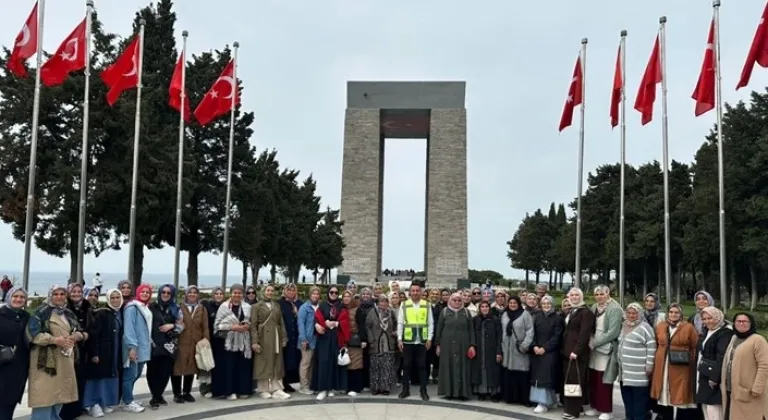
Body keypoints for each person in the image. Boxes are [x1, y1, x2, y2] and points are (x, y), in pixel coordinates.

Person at [27, 285, 86, 419]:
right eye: (55, 294)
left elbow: (78, 330)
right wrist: (54, 340)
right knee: (44, 398)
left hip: (65, 359)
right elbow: (32, 335)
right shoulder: (40, 312)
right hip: (45, 361)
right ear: (50, 295)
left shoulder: (68, 313)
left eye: (62, 294)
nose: (59, 297)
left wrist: (77, 336)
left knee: (59, 397)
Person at [650, 303, 699, 420]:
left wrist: (688, 359)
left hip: (680, 365)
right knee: (664, 391)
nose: (673, 315)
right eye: (671, 312)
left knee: (679, 392)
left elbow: (694, 346)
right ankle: (665, 416)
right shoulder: (661, 326)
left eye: (676, 312)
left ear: (681, 314)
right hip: (662, 364)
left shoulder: (688, 327)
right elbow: (656, 342)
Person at [83, 289, 124, 417]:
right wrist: (95, 353)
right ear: (107, 299)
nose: (115, 300)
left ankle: (104, 402)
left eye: (118, 297)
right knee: (97, 377)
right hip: (102, 351)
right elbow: (94, 334)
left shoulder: (118, 313)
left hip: (113, 350)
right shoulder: (102, 313)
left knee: (108, 376)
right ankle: (91, 404)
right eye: (113, 298)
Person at [721, 312, 768, 420]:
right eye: (738, 321)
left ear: (750, 323)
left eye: (745, 321)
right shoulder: (734, 338)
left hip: (750, 391)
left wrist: (757, 388)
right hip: (732, 389)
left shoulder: (758, 340)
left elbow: (764, 365)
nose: (741, 323)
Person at [585, 285, 622, 420]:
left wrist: (595, 343)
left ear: (608, 294)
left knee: (604, 380)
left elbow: (613, 332)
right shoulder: (594, 307)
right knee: (594, 378)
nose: (599, 296)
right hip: (593, 348)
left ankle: (606, 410)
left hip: (606, 348)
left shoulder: (615, 309)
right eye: (597, 294)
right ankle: (595, 407)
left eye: (602, 294)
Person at [212, 284, 254, 400]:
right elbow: (217, 325)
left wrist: (246, 326)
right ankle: (229, 391)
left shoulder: (247, 307)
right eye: (235, 292)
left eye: (239, 293)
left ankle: (242, 390)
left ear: (242, 294)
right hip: (228, 342)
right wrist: (233, 327)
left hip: (244, 341)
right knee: (229, 367)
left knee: (242, 366)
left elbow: (250, 322)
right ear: (231, 293)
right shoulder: (224, 307)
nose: (237, 295)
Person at [147, 284, 184, 410]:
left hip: (169, 345)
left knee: (165, 372)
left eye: (169, 293)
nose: (166, 294)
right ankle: (155, 395)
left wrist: (172, 326)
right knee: (152, 372)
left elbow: (181, 325)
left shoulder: (176, 308)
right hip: (153, 344)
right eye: (163, 292)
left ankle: (157, 395)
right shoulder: (151, 306)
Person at [617, 302, 656, 420]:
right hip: (625, 372)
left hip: (639, 373)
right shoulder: (624, 325)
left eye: (634, 313)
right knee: (627, 400)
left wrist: (649, 366)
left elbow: (652, 346)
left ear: (639, 314)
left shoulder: (645, 327)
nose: (631, 315)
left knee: (639, 402)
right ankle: (629, 417)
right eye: (628, 313)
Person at [561, 287, 596, 420]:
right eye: (572, 295)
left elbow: (584, 334)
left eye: (577, 295)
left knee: (575, 381)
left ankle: (573, 411)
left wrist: (576, 351)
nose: (574, 297)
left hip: (577, 354)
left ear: (581, 297)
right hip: (566, 351)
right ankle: (573, 408)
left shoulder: (586, 312)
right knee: (569, 380)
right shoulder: (571, 311)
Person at [251, 284, 290, 400]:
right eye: (268, 290)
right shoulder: (256, 306)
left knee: (276, 361)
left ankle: (277, 388)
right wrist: (255, 341)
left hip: (275, 336)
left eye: (271, 291)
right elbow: (253, 326)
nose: (270, 292)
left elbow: (281, 322)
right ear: (263, 291)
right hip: (263, 337)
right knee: (263, 362)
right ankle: (263, 389)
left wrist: (284, 337)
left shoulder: (276, 305)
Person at [172, 285, 210, 403]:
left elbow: (205, 326)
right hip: (181, 342)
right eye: (190, 292)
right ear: (186, 295)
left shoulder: (201, 309)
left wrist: (206, 340)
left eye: (195, 292)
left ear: (198, 295)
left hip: (195, 342)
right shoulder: (179, 307)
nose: (192, 294)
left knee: (191, 367)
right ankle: (177, 393)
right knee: (177, 368)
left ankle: (187, 392)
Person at [695, 306, 732, 420]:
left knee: (714, 411)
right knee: (705, 408)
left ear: (717, 318)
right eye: (704, 319)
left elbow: (721, 357)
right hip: (703, 374)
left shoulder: (725, 333)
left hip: (713, 378)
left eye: (709, 318)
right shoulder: (707, 331)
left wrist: (714, 378)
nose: (706, 321)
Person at [397, 282, 433, 401]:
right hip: (408, 340)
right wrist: (399, 339)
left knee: (422, 366)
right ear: (410, 292)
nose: (415, 293)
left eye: (418, 290)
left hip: (422, 341)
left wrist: (429, 338)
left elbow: (430, 322)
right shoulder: (404, 304)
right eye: (413, 291)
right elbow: (400, 322)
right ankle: (405, 390)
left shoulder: (427, 305)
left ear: (421, 292)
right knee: (406, 366)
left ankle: (423, 391)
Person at [313, 286, 350, 401]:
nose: (333, 294)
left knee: (334, 362)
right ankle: (323, 389)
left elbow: (345, 321)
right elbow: (316, 318)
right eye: (331, 292)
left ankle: (332, 388)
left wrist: (336, 323)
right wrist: (323, 323)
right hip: (324, 337)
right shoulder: (322, 305)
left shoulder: (341, 306)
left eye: (336, 292)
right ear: (328, 293)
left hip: (336, 337)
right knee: (324, 362)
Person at [435, 292, 474, 400]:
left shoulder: (466, 312)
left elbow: (471, 329)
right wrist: (437, 344)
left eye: (459, 300)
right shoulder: (444, 312)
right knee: (448, 366)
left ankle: (463, 392)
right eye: (454, 300)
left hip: (463, 345)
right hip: (447, 344)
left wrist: (472, 345)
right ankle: (448, 392)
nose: (457, 302)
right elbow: (439, 328)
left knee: (463, 367)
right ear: (450, 301)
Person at [529, 295, 564, 414]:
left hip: (550, 352)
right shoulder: (536, 317)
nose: (546, 305)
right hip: (537, 351)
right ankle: (544, 401)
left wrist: (545, 348)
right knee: (538, 377)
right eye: (544, 303)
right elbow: (531, 333)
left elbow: (557, 337)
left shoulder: (558, 319)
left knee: (547, 378)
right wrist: (534, 346)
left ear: (552, 304)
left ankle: (544, 403)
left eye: (548, 303)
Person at [0, 287, 30, 419]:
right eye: (15, 296)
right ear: (9, 297)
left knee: (10, 402)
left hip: (19, 367)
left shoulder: (26, 317)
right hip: (3, 365)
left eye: (22, 297)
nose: (18, 299)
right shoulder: (1, 315)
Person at [121, 284, 152, 413]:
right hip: (134, 347)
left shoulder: (144, 307)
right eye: (142, 291)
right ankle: (127, 402)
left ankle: (128, 398)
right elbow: (129, 328)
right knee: (130, 375)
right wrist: (132, 348)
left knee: (137, 374)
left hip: (143, 346)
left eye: (147, 292)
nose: (145, 294)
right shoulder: (132, 307)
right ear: (138, 292)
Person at [500, 295, 534, 406]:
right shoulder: (505, 314)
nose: (512, 305)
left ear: (519, 304)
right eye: (510, 303)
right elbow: (502, 331)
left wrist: (524, 345)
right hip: (507, 349)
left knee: (521, 373)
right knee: (509, 373)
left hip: (520, 349)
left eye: (515, 303)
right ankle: (510, 397)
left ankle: (523, 398)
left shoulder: (525, 315)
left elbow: (530, 331)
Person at [365, 294, 398, 395]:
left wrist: (395, 331)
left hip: (388, 344)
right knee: (375, 366)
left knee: (387, 366)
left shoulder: (391, 313)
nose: (383, 303)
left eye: (385, 301)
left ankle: (385, 388)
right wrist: (371, 339)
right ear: (378, 302)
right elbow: (367, 326)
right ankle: (375, 388)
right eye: (381, 301)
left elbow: (396, 324)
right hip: (376, 344)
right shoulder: (372, 312)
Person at [471, 301, 503, 401]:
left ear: (489, 308)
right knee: (481, 370)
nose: (484, 308)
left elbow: (499, 337)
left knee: (492, 371)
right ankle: (482, 392)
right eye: (482, 307)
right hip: (480, 350)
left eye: (486, 306)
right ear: (479, 309)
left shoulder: (495, 320)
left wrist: (499, 352)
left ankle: (494, 393)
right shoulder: (475, 320)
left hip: (492, 350)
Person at [277, 283, 302, 393]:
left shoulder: (299, 304)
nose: (291, 292)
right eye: (289, 290)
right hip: (284, 336)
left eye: (293, 290)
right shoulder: (279, 304)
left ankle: (290, 382)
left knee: (293, 360)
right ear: (285, 291)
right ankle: (283, 383)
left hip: (296, 336)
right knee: (284, 360)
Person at [297, 287, 320, 394]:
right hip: (307, 340)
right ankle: (303, 386)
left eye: (317, 294)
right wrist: (303, 339)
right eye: (313, 294)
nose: (315, 296)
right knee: (305, 363)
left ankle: (311, 384)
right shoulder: (304, 308)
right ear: (310, 295)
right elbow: (300, 324)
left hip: (317, 340)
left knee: (312, 364)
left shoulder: (320, 307)